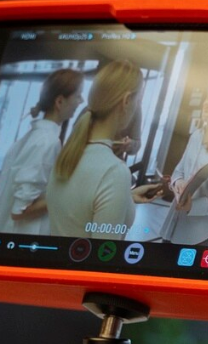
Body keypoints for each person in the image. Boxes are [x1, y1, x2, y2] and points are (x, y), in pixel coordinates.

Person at [46, 60, 142, 241]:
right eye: (138, 99)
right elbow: (103, 257)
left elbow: (81, 208)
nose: (138, 107)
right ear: (127, 101)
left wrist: (126, 197)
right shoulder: (114, 172)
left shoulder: (66, 158)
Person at [0, 68, 84, 236]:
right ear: (60, 102)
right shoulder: (46, 142)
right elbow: (20, 210)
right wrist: (67, 195)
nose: (81, 101)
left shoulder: (39, 137)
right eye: (78, 95)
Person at [149, 80, 208, 246]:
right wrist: (178, 183)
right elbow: (179, 171)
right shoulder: (197, 135)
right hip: (174, 225)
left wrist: (192, 206)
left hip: (199, 233)